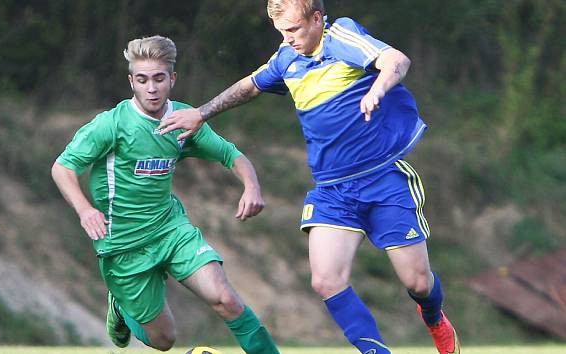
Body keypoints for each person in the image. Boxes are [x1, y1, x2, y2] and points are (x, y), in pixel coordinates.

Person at [156, 1, 460, 353]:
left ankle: (434, 315)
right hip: (332, 191)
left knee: (418, 282)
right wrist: (202, 113)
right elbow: (250, 85)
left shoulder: (340, 36)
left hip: (383, 180)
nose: (288, 40)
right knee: (326, 280)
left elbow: (397, 61)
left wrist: (378, 88)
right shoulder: (288, 57)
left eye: (294, 30)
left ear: (317, 19)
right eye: (282, 32)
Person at [51, 35, 280, 354]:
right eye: (142, 80)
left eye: (159, 78)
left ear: (172, 78)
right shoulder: (111, 125)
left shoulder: (184, 120)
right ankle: (121, 308)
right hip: (123, 243)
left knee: (225, 299)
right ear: (131, 81)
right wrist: (85, 210)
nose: (152, 88)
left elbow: (231, 155)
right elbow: (62, 168)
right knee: (163, 340)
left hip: (171, 229)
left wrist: (251, 186)